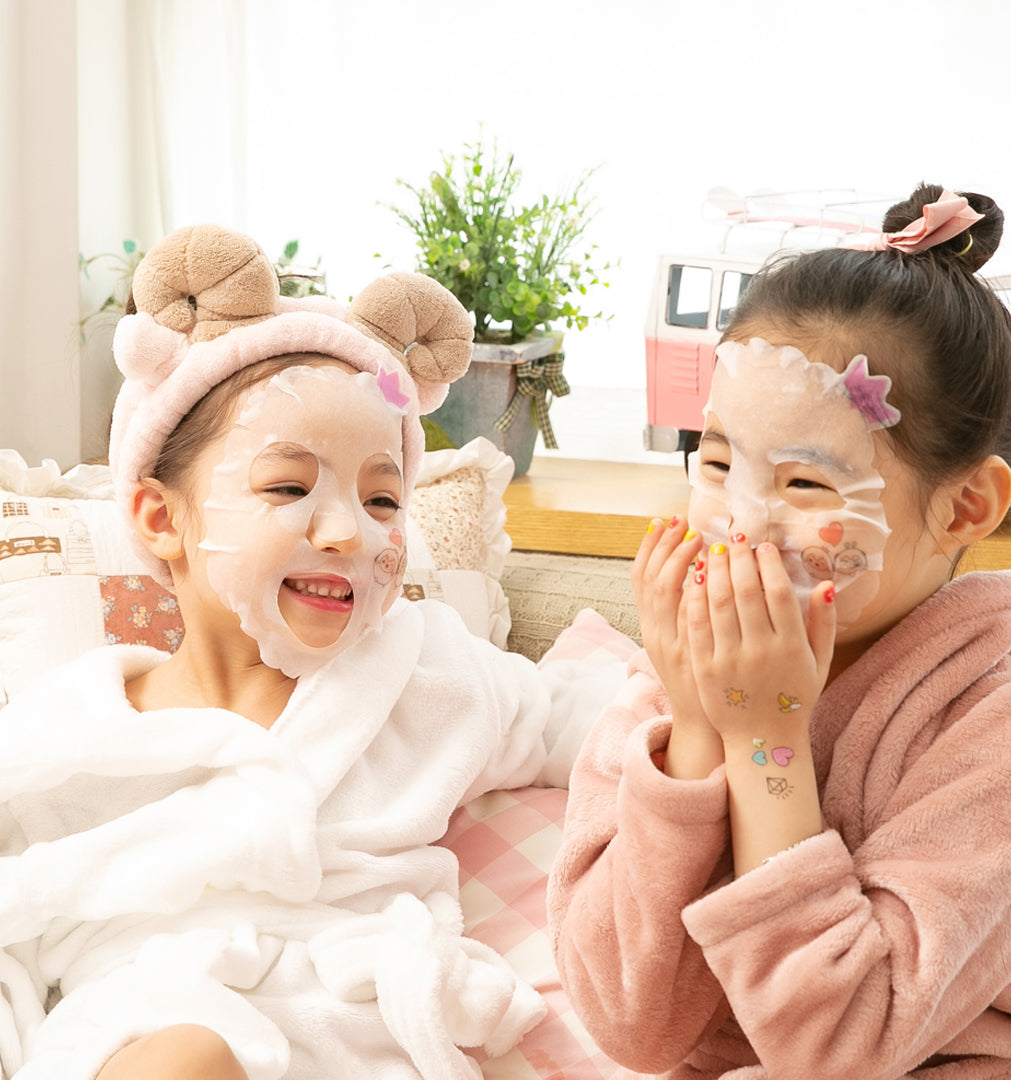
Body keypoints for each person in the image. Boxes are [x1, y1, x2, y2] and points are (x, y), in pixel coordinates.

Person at [0, 225, 591, 1080]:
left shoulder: (428, 672)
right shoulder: (63, 738)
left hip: (367, 1025)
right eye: (287, 487)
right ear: (163, 520)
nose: (348, 531)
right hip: (146, 1026)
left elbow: (601, 720)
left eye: (384, 499)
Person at [548, 184, 1011, 1079]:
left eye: (804, 484)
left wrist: (765, 741)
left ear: (967, 506)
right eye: (715, 462)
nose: (741, 525)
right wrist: (695, 737)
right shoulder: (674, 683)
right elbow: (627, 1027)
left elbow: (839, 1052)